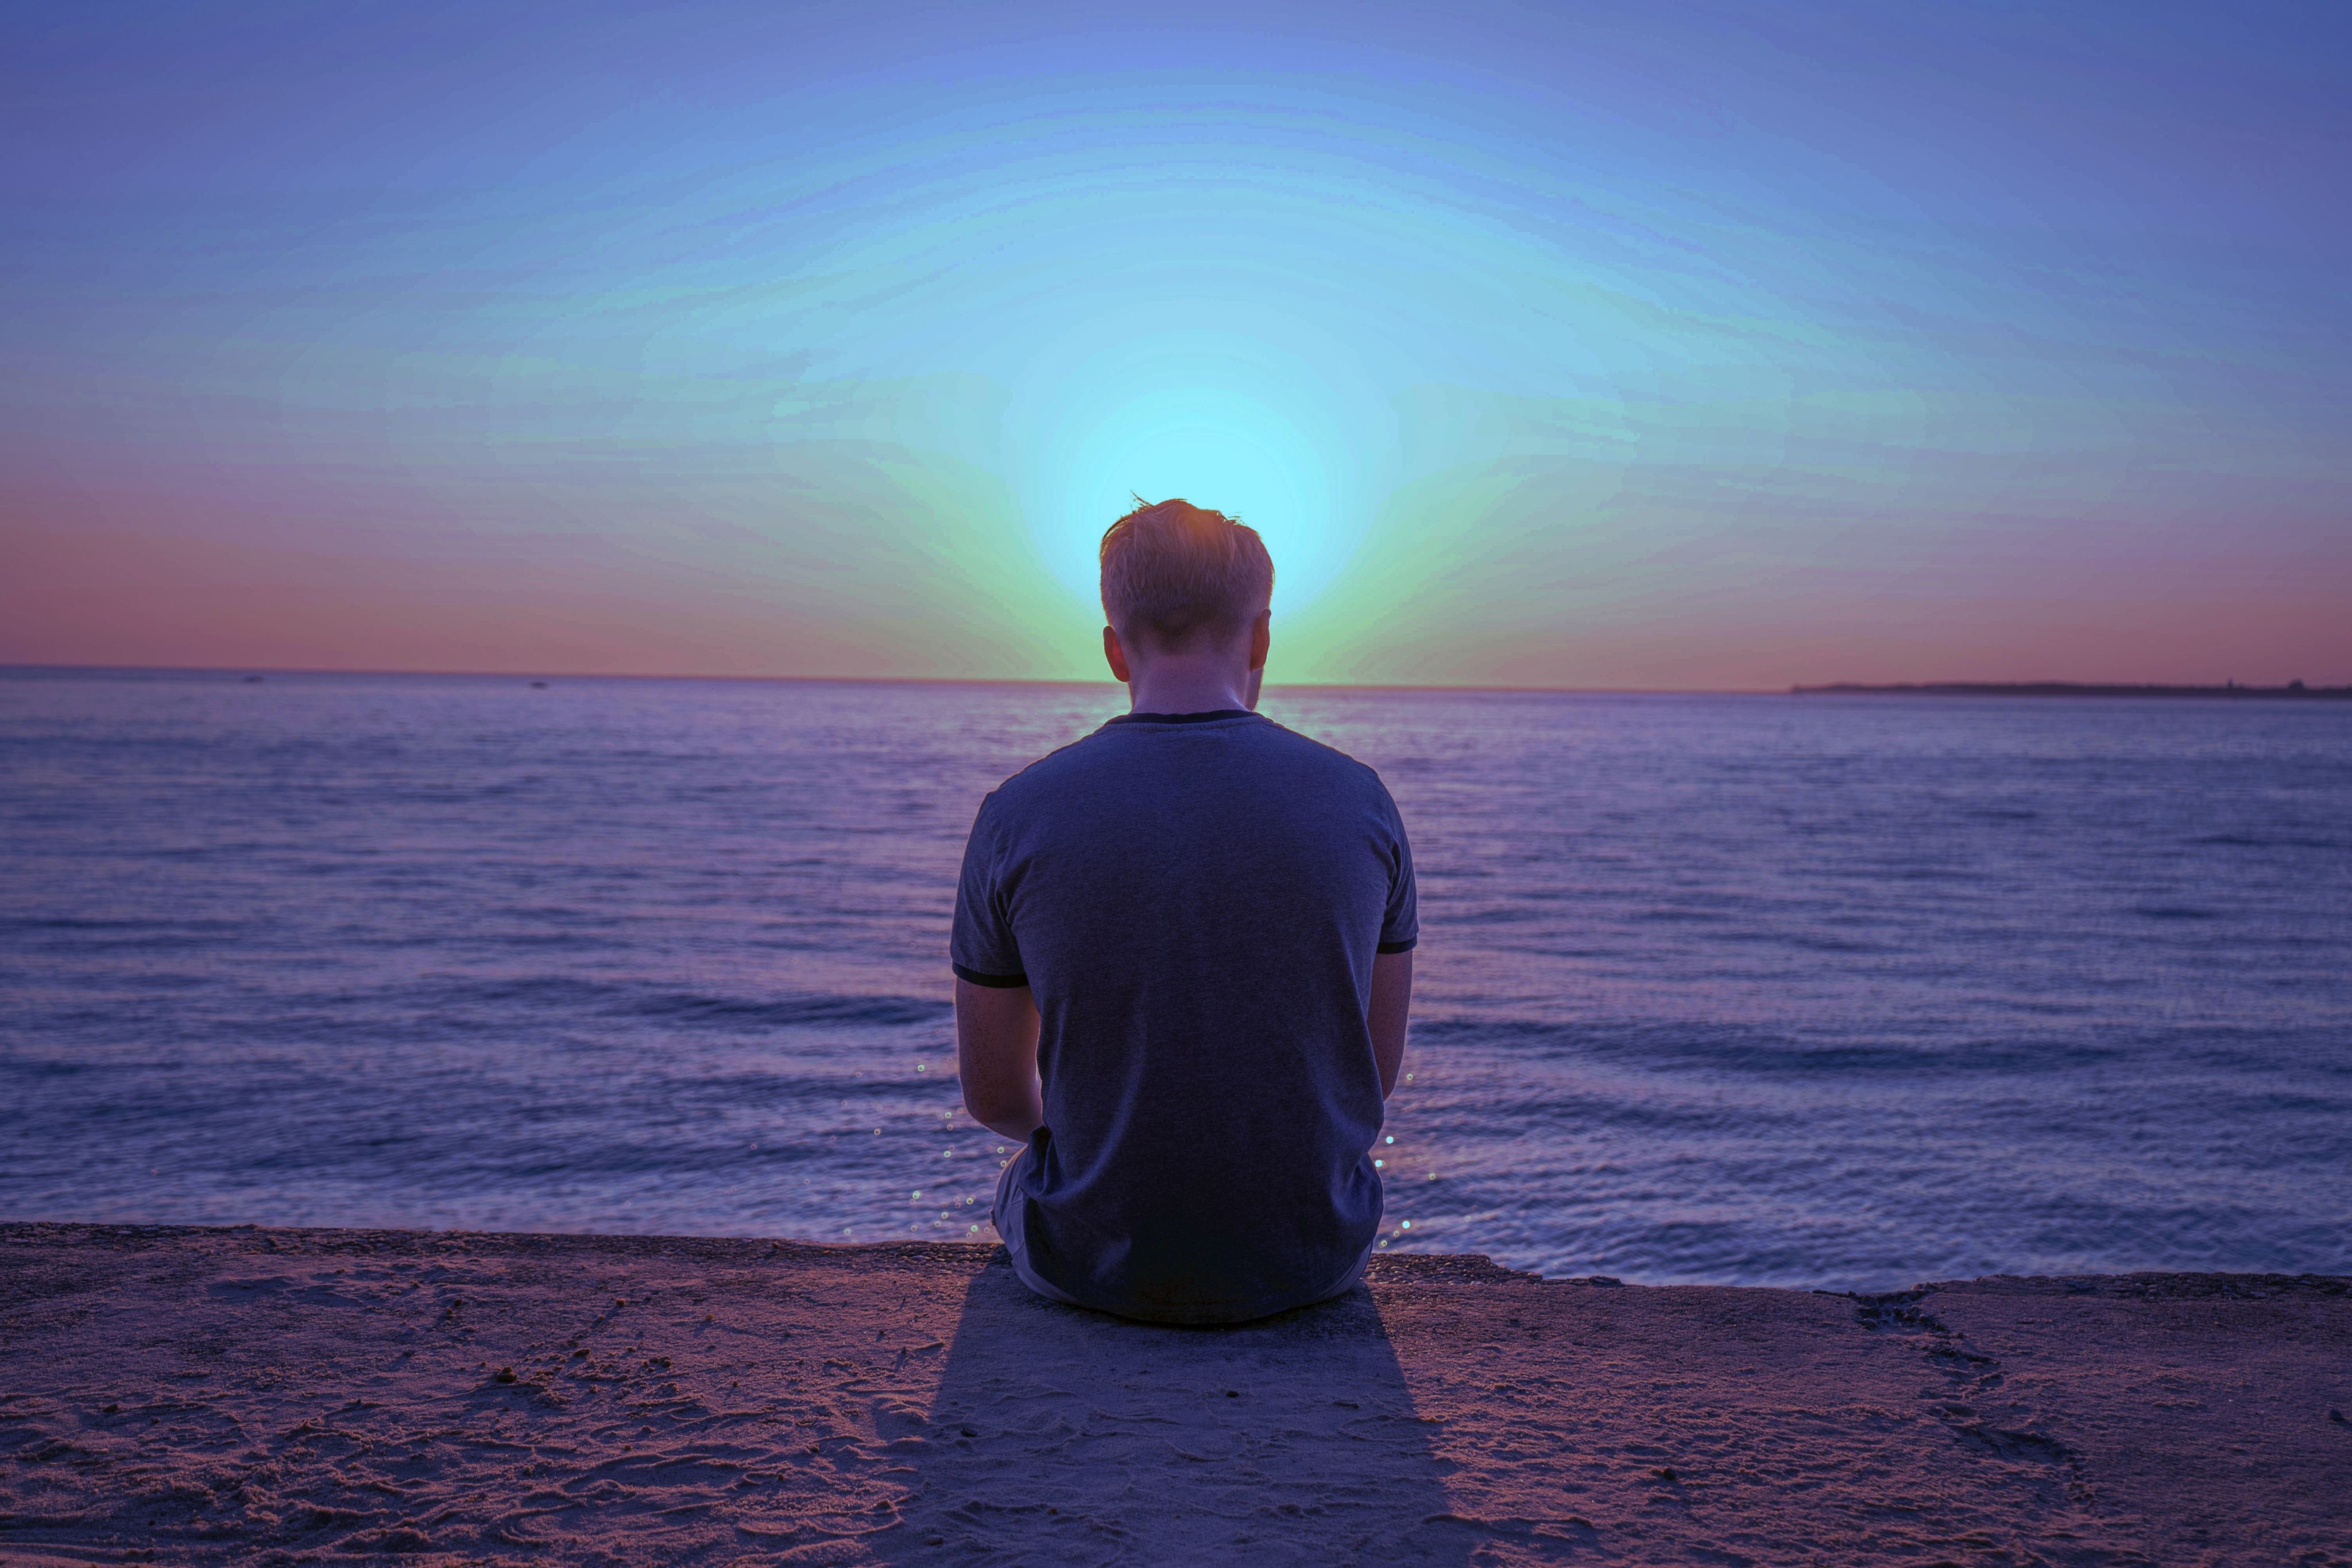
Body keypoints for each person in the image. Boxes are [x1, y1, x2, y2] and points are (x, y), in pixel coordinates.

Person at [950, 497, 1418, 1325]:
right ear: (1263, 637)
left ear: (1113, 651)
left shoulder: (1017, 814)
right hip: (1312, 1258)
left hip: (1092, 1263)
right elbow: (1369, 1079)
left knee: (1025, 1182)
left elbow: (994, 1097)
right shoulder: (1362, 804)